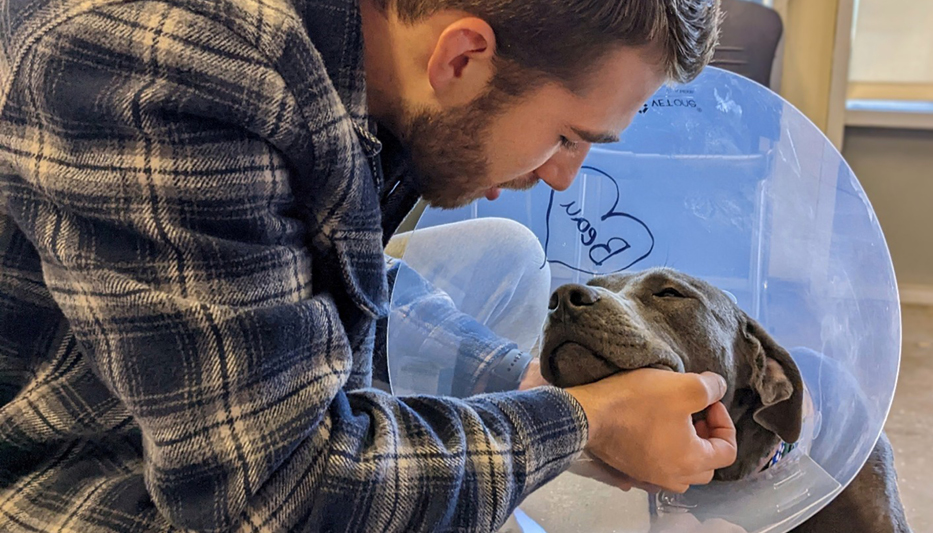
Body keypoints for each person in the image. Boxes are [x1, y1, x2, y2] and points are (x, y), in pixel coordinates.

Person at [0, 0, 737, 531]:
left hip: (184, 412)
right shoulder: (161, 66)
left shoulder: (373, 60)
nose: (563, 178)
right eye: (569, 136)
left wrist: (518, 382)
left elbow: (312, 275)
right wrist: (579, 421)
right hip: (74, 465)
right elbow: (273, 497)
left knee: (509, 257)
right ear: (460, 56)